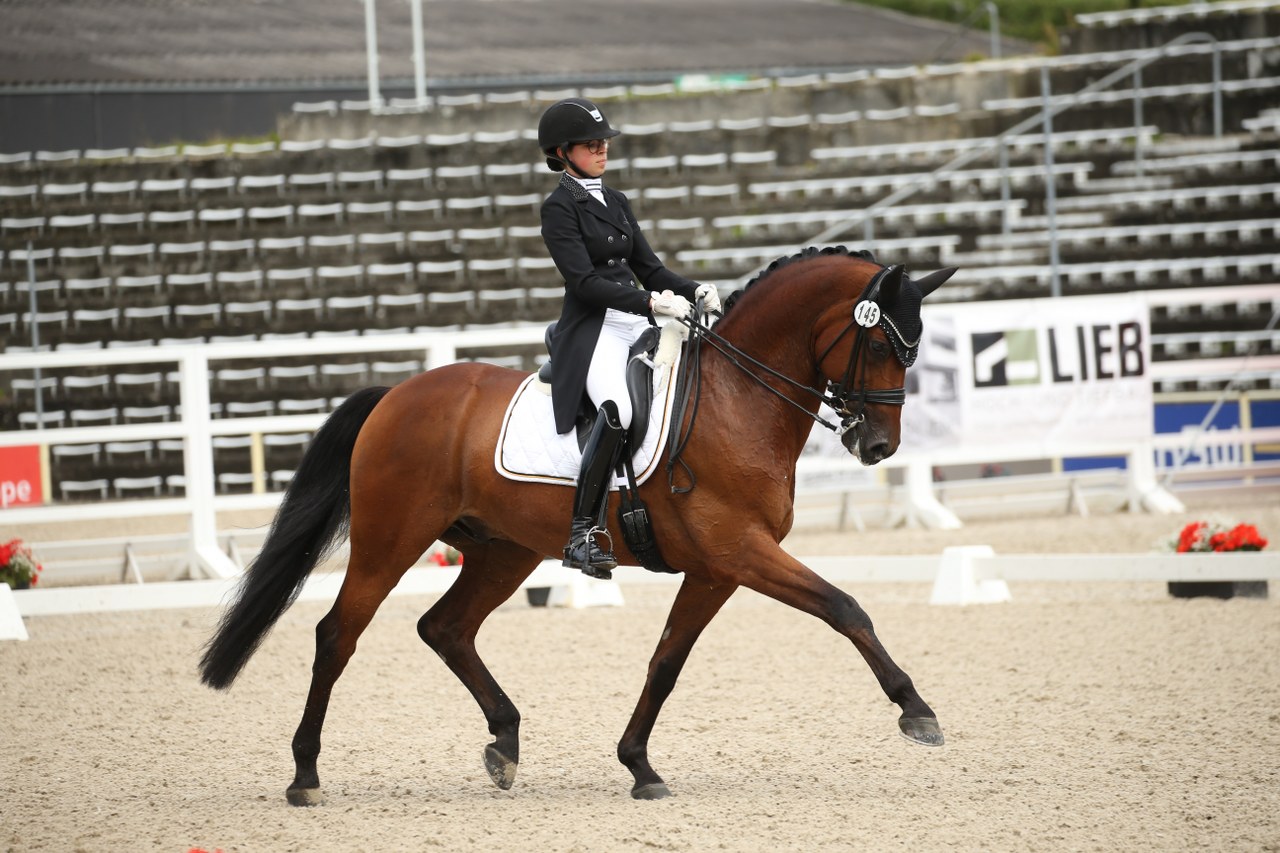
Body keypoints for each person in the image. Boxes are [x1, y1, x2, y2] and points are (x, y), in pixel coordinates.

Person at [537, 97, 721, 578]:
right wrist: (651, 303)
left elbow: (650, 268)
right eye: (592, 144)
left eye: (604, 143)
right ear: (562, 152)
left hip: (637, 319)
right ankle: (582, 533)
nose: (602, 150)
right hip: (594, 327)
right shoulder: (559, 208)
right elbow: (583, 282)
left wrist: (694, 288)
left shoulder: (616, 201)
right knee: (617, 410)